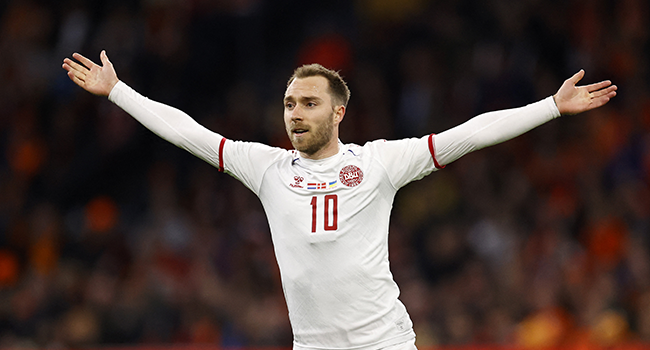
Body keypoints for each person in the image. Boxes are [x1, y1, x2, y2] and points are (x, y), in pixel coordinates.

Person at [62, 50, 616, 350]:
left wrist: (549, 105)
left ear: (338, 113)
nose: (295, 113)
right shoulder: (268, 168)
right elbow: (188, 132)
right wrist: (119, 92)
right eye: (288, 102)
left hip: (383, 345)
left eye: (308, 103)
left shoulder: (377, 163)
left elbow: (468, 133)